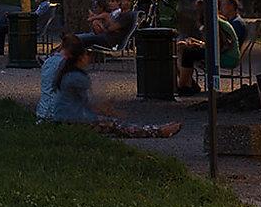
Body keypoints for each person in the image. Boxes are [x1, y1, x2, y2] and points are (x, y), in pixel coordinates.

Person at [37, 34, 183, 138]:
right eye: (87, 55)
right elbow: (89, 102)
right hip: (68, 120)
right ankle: (156, 131)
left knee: (114, 123)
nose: (89, 58)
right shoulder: (76, 76)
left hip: (49, 116)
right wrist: (107, 108)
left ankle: (156, 129)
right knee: (117, 125)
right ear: (78, 56)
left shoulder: (53, 64)